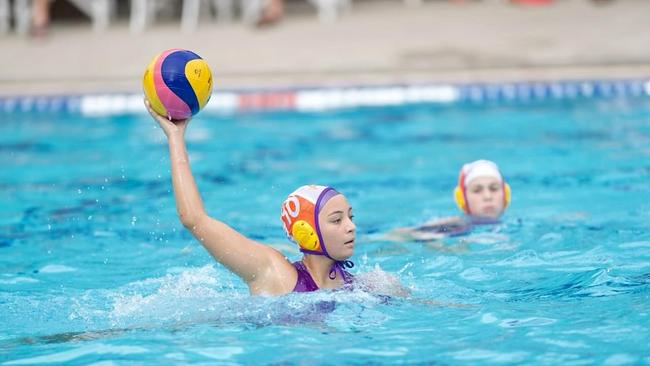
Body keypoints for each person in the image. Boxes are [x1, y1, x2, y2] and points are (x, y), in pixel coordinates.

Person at [145, 100, 406, 296]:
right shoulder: (275, 273)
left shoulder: (367, 285)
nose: (351, 226)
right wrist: (175, 137)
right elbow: (194, 220)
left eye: (350, 217)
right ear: (306, 232)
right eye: (336, 220)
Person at [386, 159, 511, 242]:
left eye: (494, 189)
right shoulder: (455, 225)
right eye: (477, 190)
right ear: (463, 199)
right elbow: (396, 235)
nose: (487, 196)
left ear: (505, 195)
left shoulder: (516, 223)